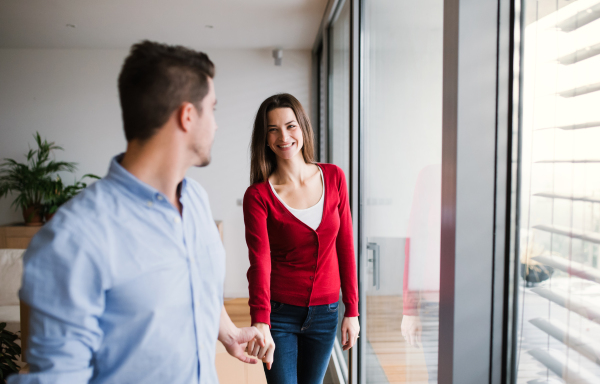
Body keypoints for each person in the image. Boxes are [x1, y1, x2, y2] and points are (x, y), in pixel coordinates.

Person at [8, 41, 264, 384]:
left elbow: (197, 281)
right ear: (187, 116)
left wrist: (227, 332)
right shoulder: (74, 238)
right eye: (212, 110)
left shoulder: (197, 200)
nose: (216, 125)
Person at [242, 93, 360, 384]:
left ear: (303, 128)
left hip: (327, 313)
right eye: (273, 129)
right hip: (280, 314)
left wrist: (353, 310)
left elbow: (345, 246)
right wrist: (261, 321)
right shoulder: (258, 196)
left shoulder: (334, 178)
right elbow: (260, 262)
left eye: (290, 126)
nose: (284, 136)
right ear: (265, 138)